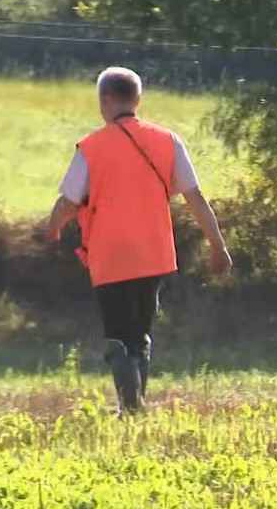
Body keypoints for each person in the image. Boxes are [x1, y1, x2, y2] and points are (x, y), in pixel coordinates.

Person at [46, 66, 232, 415]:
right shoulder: (168, 140)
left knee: (118, 333)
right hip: (154, 253)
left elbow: (68, 202)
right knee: (141, 333)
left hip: (109, 254)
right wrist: (218, 246)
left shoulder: (91, 147)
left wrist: (53, 229)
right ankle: (135, 406)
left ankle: (130, 408)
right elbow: (195, 197)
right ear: (138, 99)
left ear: (105, 100)